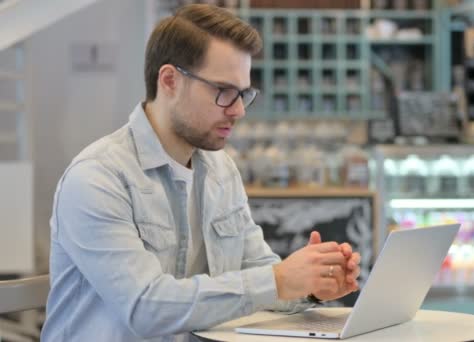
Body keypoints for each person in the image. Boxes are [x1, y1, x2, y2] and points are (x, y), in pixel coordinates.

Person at [41, 4, 361, 342]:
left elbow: (259, 272)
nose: (238, 111)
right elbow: (145, 308)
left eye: (243, 94)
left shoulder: (221, 171)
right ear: (169, 81)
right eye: (223, 92)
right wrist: (279, 280)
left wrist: (310, 283)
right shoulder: (97, 178)